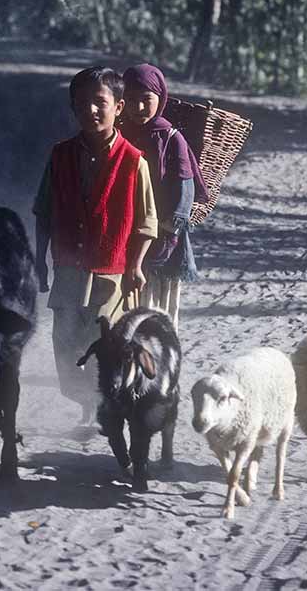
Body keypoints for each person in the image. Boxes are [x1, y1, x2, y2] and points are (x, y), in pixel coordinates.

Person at [33, 67, 158, 424]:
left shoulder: (134, 161)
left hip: (112, 272)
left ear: (119, 107)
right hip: (68, 269)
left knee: (103, 344)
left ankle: (104, 404)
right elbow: (44, 210)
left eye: (99, 102)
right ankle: (84, 399)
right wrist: (40, 259)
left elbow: (147, 222)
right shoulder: (59, 156)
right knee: (66, 344)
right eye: (81, 103)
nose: (90, 110)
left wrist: (135, 265)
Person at [119, 63, 208, 327]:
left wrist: (167, 235)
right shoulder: (121, 135)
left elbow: (184, 194)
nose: (138, 108)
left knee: (157, 311)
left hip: (163, 238)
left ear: (161, 98)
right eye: (130, 100)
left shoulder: (171, 138)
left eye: (145, 100)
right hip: (128, 235)